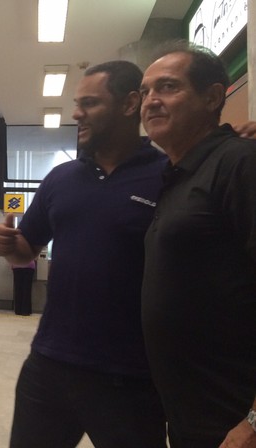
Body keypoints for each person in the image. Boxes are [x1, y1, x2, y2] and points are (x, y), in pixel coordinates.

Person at [0, 60, 168, 447]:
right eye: (76, 103)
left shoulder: (168, 175)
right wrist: (9, 245)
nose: (76, 113)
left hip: (130, 378)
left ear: (129, 104)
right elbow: (27, 253)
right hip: (48, 366)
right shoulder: (61, 179)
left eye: (90, 103)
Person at [139, 41, 256, 448]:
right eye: (146, 91)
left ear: (211, 97)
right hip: (190, 416)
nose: (151, 101)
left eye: (168, 87)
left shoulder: (240, 164)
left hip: (233, 420)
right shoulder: (180, 177)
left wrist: (254, 421)